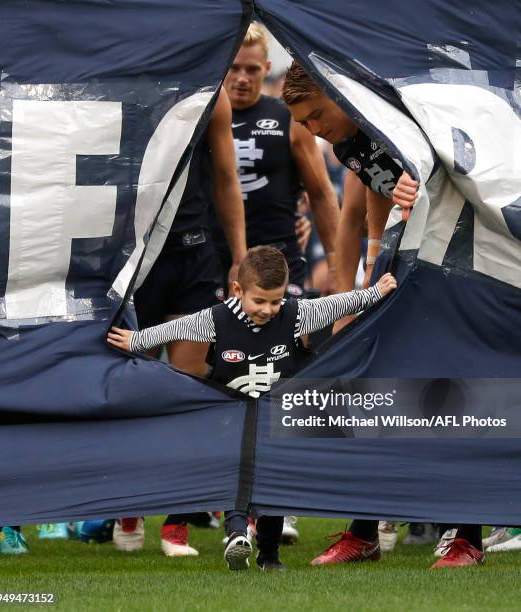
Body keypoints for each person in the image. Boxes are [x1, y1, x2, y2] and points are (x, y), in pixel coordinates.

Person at [282, 61, 484, 570]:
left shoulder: (407, 117)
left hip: (463, 269)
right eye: (303, 123)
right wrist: (363, 289)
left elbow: (472, 172)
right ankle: (365, 530)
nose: (312, 130)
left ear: (337, 95)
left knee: (457, 394)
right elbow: (372, 203)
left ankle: (468, 536)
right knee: (374, 397)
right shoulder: (348, 142)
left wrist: (431, 185)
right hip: (406, 271)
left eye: (314, 116)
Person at [108, 246, 397, 570]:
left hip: (275, 423)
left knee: (272, 488)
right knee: (236, 480)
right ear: (237, 290)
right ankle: (236, 537)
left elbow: (335, 305)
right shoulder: (216, 318)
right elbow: (174, 330)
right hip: (231, 422)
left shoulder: (295, 314)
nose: (267, 309)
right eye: (259, 301)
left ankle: (269, 554)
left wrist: (375, 292)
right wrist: (135, 341)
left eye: (275, 301)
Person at [113, 88, 247, 556]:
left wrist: (240, 257)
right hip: (137, 260)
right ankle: (130, 506)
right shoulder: (133, 83)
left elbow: (228, 179)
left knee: (189, 384)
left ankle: (177, 523)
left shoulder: (214, 93)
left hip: (195, 254)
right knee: (138, 384)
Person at [211, 23, 340, 301]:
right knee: (215, 342)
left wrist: (335, 264)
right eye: (234, 68)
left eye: (252, 69)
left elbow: (321, 193)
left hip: (279, 254)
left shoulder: (289, 119)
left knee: (288, 340)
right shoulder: (200, 117)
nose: (242, 78)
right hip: (213, 254)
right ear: (221, 66)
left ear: (267, 68)